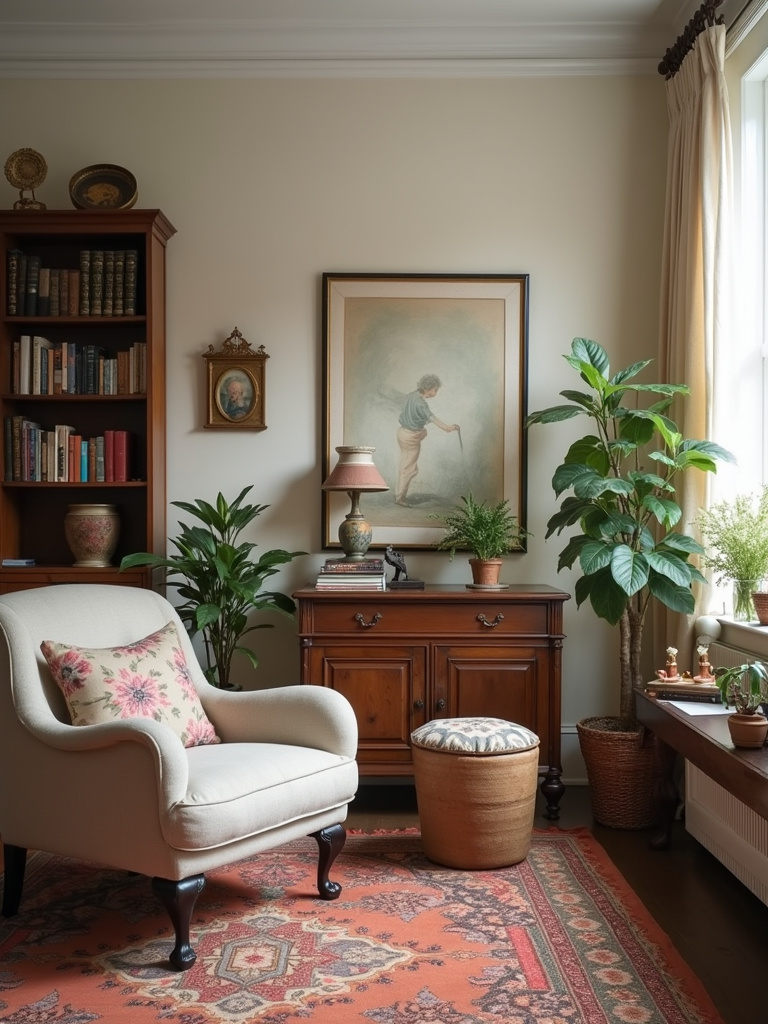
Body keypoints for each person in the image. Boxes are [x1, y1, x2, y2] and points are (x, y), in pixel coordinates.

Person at [395, 373, 459, 506]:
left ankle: (399, 495)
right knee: (409, 468)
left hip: (402, 433)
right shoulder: (421, 404)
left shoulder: (411, 395)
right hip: (410, 437)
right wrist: (448, 428)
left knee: (406, 465)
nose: (436, 392)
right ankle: (400, 498)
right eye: (435, 389)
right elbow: (434, 419)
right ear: (428, 388)